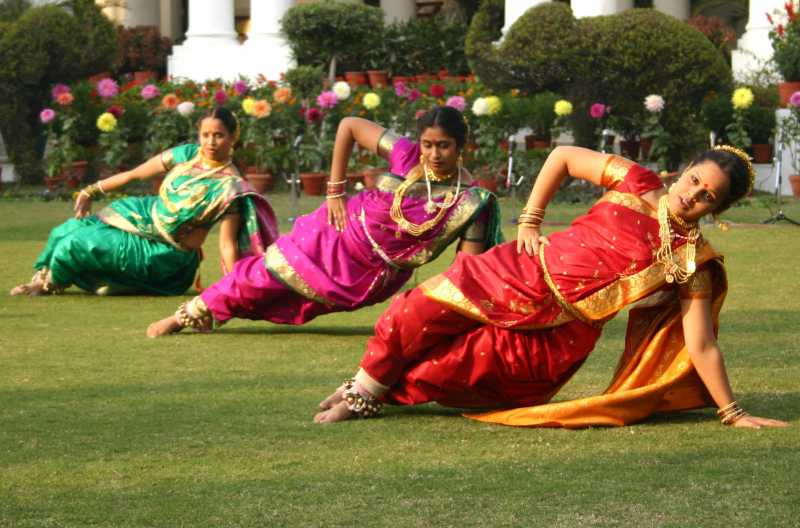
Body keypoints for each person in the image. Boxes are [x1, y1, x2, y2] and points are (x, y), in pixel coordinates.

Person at [314, 145, 789, 430]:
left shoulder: (691, 261)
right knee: (414, 311)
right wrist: (531, 217)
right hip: (521, 272)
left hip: (559, 333)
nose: (693, 195)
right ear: (685, 169)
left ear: (716, 210)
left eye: (708, 196)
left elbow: (700, 343)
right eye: (694, 180)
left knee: (452, 371)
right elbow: (562, 157)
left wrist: (731, 412)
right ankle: (361, 390)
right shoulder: (634, 180)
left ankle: (365, 396)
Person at [146, 106, 503, 336]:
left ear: (461, 147)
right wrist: (335, 191)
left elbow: (465, 267)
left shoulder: (470, 201)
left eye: (443, 146)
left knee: (294, 303)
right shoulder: (405, 152)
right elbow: (348, 125)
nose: (433, 154)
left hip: (372, 276)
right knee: (263, 274)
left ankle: (220, 311)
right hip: (334, 234)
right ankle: (187, 316)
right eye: (428, 144)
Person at [10, 107, 278, 297]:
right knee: (67, 230)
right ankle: (46, 278)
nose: (210, 142)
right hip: (141, 218)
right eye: (205, 134)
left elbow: (227, 245)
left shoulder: (230, 187)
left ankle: (48, 286)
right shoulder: (186, 154)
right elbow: (135, 174)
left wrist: (232, 290)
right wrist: (89, 191)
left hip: (165, 255)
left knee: (76, 244)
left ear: (233, 137)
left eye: (218, 135)